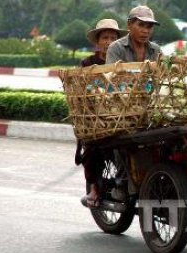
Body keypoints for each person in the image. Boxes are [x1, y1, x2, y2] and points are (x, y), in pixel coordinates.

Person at [77, 19, 128, 207]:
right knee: (91, 149)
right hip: (96, 117)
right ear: (97, 42)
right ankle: (94, 188)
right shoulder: (88, 63)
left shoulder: (123, 63)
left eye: (113, 38)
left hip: (122, 114)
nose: (108, 41)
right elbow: (81, 90)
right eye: (104, 37)